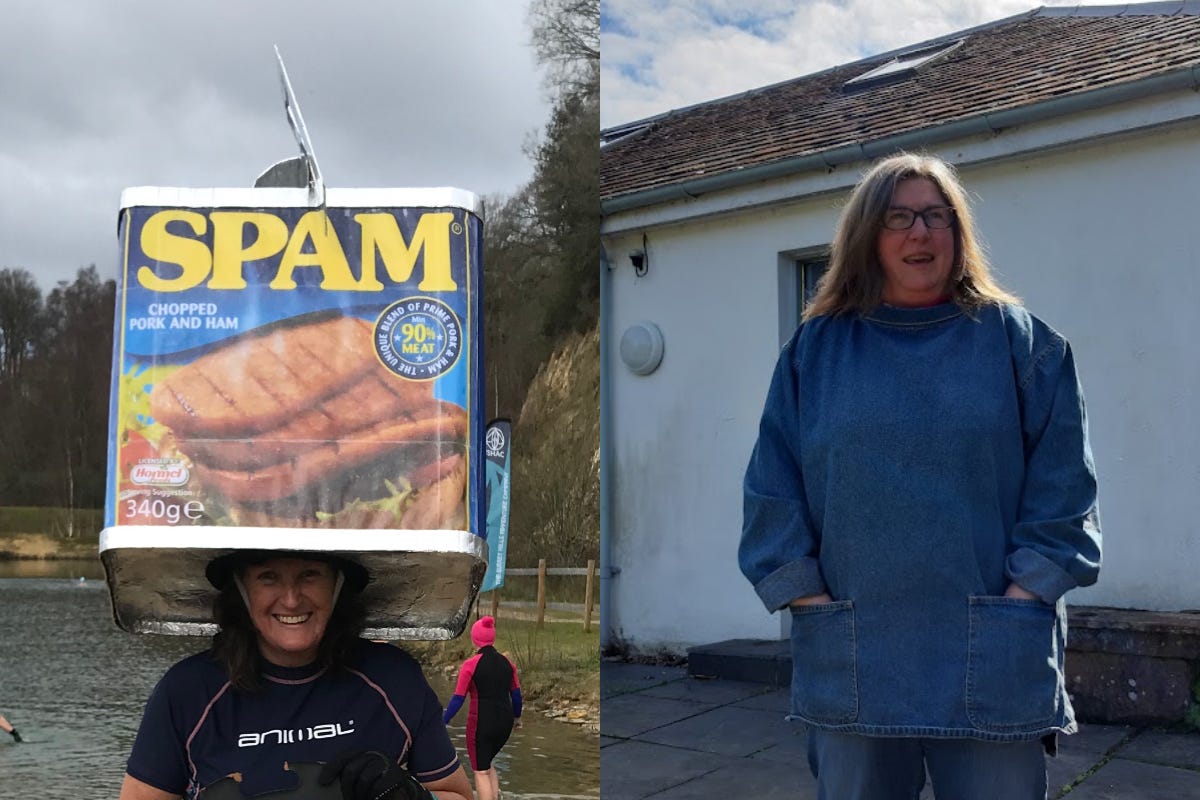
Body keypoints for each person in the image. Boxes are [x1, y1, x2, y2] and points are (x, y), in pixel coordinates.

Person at [739, 152, 1102, 800]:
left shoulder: (1023, 346)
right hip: (855, 658)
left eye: (936, 216)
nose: (920, 233)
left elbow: (1065, 494)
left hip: (991, 655)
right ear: (867, 237)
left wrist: (1024, 599)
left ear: (958, 233)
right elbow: (772, 495)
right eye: (899, 217)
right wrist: (810, 604)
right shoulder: (813, 353)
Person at [118, 550, 473, 800]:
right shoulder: (187, 692)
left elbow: (458, 795)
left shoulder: (394, 680)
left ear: (337, 586)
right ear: (242, 591)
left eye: (309, 575)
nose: (290, 600)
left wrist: (413, 796)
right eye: (268, 577)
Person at [443, 616, 522, 800]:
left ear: (475, 639)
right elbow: (516, 696)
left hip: (481, 724)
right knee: (487, 764)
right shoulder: (507, 663)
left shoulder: (470, 665)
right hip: (505, 723)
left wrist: (443, 721)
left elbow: (458, 699)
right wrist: (517, 719)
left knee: (480, 771)